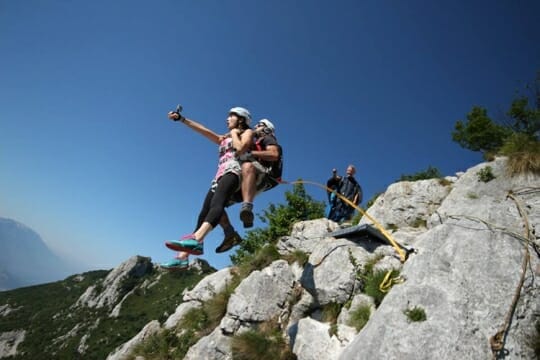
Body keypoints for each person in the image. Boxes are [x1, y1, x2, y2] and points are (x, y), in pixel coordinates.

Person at [160, 106, 254, 270]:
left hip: (234, 171)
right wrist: (182, 119)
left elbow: (241, 148)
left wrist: (233, 133)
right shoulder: (222, 138)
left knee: (218, 203)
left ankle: (197, 239)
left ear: (241, 119)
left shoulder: (247, 132)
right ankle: (183, 257)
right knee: (204, 212)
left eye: (231, 116)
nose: (227, 119)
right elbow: (203, 130)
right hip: (219, 175)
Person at [237, 118, 282, 228]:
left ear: (266, 129)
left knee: (247, 164)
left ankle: (247, 206)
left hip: (267, 175)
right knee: (220, 197)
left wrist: (250, 154)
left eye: (259, 125)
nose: (256, 126)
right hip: (259, 177)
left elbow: (274, 154)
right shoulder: (255, 142)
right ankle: (236, 226)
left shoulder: (267, 138)